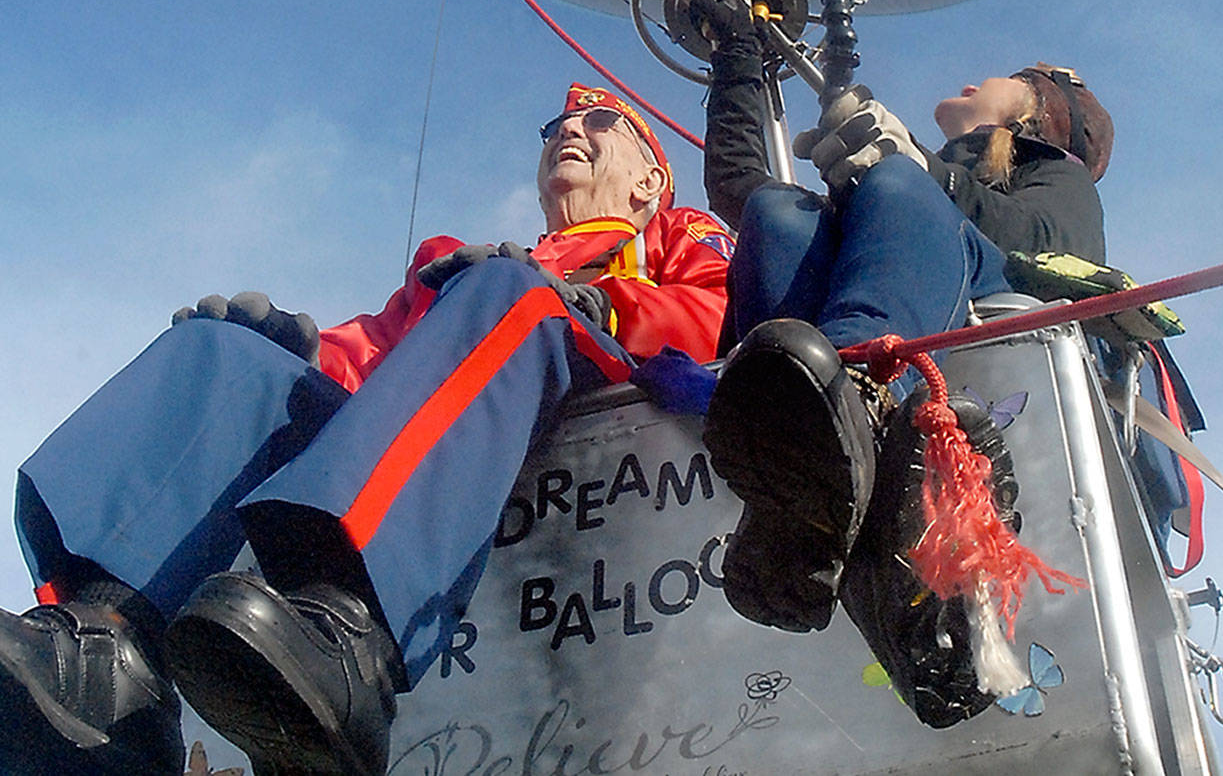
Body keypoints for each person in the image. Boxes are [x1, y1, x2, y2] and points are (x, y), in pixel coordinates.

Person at [0, 83, 733, 776]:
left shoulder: (673, 238)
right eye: (556, 128)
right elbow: (372, 355)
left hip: (592, 381)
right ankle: (110, 656)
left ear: (648, 183)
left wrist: (593, 304)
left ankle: (346, 638)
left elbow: (717, 316)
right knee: (226, 356)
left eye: (602, 124)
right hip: (460, 388)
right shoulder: (461, 271)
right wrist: (299, 350)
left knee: (512, 295)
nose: (569, 130)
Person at [690, 0, 1111, 728]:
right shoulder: (911, 174)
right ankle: (811, 473)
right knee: (777, 214)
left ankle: (843, 404)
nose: (981, 79)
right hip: (889, 281)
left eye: (1017, 76)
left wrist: (917, 170)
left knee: (890, 185)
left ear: (1040, 111)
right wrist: (737, 61)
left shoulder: (1054, 174)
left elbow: (1054, 246)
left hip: (974, 293)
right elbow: (741, 191)